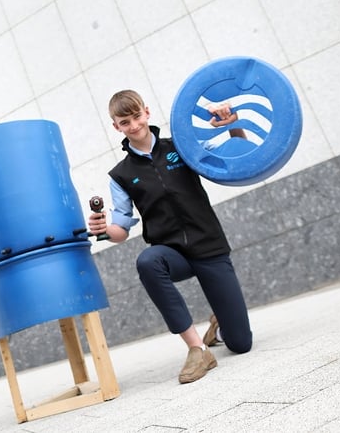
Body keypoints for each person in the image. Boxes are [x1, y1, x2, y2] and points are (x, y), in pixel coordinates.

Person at [88, 89, 253, 384]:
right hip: (172, 254)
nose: (134, 126)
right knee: (148, 262)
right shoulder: (121, 175)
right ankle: (196, 348)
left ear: (147, 112)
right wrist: (102, 231)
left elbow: (238, 146)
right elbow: (121, 231)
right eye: (125, 122)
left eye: (136, 116)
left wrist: (232, 121)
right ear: (116, 127)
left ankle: (221, 322)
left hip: (209, 246)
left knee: (241, 344)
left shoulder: (182, 145)